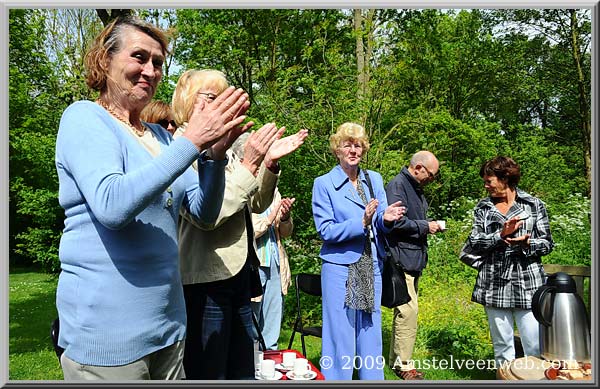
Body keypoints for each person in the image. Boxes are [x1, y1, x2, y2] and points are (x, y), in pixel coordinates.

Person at [54, 17, 249, 380]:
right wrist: (191, 142)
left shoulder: (161, 138)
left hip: (168, 331)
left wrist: (214, 157)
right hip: (108, 338)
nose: (150, 70)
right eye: (139, 57)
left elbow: (204, 214)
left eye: (158, 63)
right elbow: (112, 205)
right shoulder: (85, 118)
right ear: (104, 60)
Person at [171, 69, 309, 379]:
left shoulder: (223, 146)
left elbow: (256, 204)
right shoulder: (180, 147)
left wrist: (269, 163)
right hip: (205, 282)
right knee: (210, 373)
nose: (223, 105)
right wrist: (249, 163)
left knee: (242, 370)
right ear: (187, 102)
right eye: (212, 97)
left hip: (239, 277)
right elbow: (210, 215)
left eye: (225, 98)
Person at [312, 122, 406, 380]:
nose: (353, 150)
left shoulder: (373, 179)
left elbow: (380, 224)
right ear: (337, 150)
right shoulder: (324, 184)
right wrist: (361, 222)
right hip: (339, 267)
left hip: (372, 264)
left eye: (358, 145)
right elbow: (326, 231)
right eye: (347, 145)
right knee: (340, 333)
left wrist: (385, 219)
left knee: (370, 332)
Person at [467, 156, 553, 366]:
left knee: (533, 344)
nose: (486, 185)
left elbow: (547, 243)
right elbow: (475, 242)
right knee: (502, 346)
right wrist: (499, 236)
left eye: (489, 181)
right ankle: (504, 379)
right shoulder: (483, 208)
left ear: (505, 178)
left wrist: (527, 244)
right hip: (494, 283)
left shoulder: (533, 205)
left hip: (528, 283)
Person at [385, 150, 442, 380]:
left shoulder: (414, 188)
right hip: (401, 260)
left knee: (406, 312)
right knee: (408, 312)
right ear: (418, 167)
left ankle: (396, 361)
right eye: (431, 174)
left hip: (413, 259)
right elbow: (395, 222)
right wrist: (425, 226)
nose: (432, 179)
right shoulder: (397, 186)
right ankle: (403, 366)